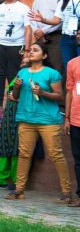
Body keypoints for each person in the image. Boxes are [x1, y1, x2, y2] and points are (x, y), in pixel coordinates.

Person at [5, 41, 72, 202]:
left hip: (48, 120)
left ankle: (67, 192)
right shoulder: (22, 73)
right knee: (24, 154)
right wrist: (17, 87)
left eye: (35, 50)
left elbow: (59, 96)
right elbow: (14, 97)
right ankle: (19, 190)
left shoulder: (51, 73)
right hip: (26, 118)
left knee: (56, 155)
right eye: (30, 50)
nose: (31, 52)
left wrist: (42, 92)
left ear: (44, 55)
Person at [30, 0, 80, 68]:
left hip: (78, 36)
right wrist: (43, 19)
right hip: (67, 38)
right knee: (68, 66)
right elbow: (57, 20)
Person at [30, 0, 66, 74]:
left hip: (56, 38)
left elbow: (62, 19)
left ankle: (58, 91)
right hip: (39, 39)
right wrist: (37, 31)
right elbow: (31, 16)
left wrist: (44, 31)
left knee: (56, 68)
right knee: (39, 67)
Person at [65, 49, 80, 207]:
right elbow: (69, 92)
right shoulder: (72, 63)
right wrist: (67, 118)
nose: (77, 35)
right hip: (76, 119)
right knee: (78, 160)